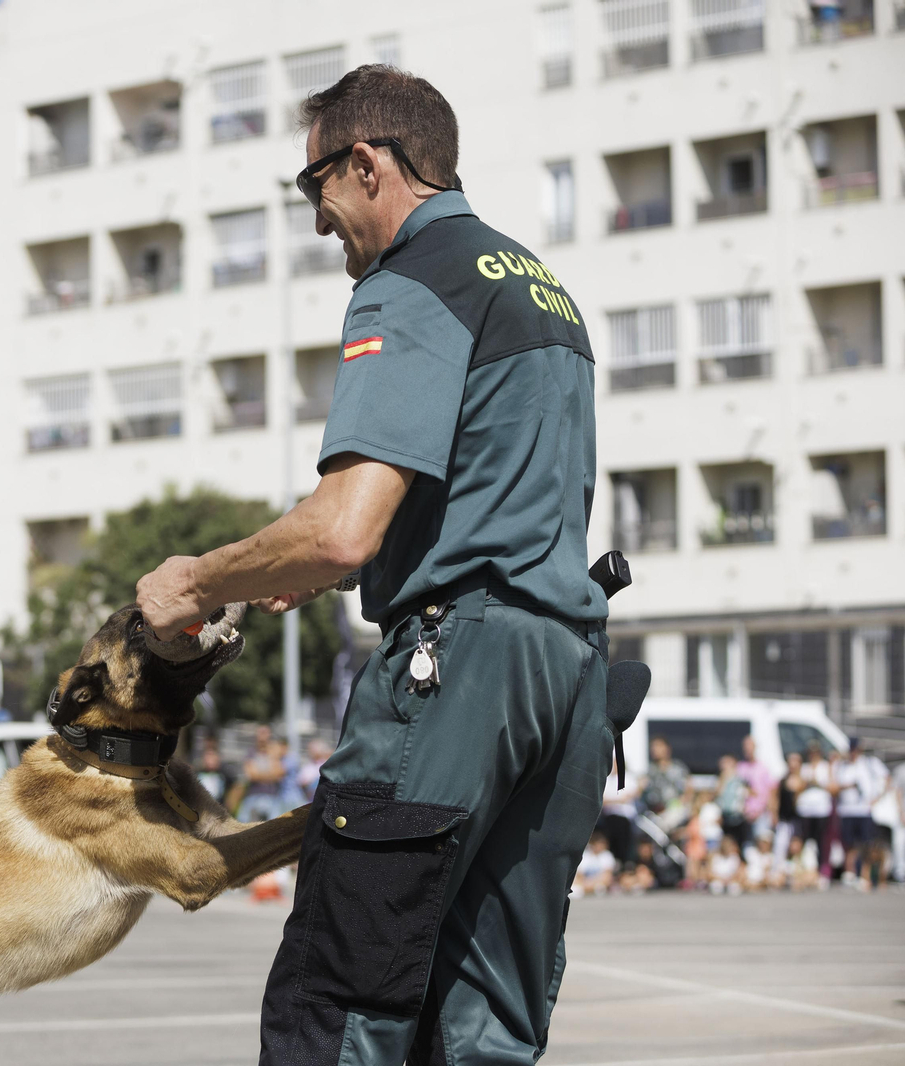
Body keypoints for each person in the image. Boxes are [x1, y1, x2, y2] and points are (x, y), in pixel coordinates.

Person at [134, 64, 609, 1063]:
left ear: (366, 162)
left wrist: (193, 580)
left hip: (456, 674)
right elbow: (487, 495)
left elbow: (344, 526)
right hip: (565, 676)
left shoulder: (410, 281)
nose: (317, 224)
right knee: (487, 1023)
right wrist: (326, 562)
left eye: (315, 189)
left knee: (343, 999)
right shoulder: (541, 287)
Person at [833, 738, 888, 889]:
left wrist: (877, 798)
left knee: (867, 845)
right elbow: (834, 786)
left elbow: (887, 778)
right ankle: (850, 875)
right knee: (849, 845)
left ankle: (866, 876)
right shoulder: (842, 766)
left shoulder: (870, 763)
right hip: (846, 811)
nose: (852, 753)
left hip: (864, 810)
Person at [238, 726, 287, 823]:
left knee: (277, 824)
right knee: (243, 822)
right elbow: (251, 775)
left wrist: (259, 774)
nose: (263, 737)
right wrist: (270, 774)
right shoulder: (251, 753)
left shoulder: (274, 752)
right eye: (261, 733)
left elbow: (280, 774)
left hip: (272, 796)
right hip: (254, 795)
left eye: (265, 733)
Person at [598, 753, 639, 866]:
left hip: (625, 820)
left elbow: (630, 796)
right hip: (609, 819)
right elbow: (603, 801)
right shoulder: (606, 780)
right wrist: (618, 800)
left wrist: (612, 801)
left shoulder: (629, 779)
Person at [642, 737, 690, 829]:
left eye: (658, 746)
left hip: (673, 811)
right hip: (652, 812)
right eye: (653, 747)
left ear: (667, 749)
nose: (655, 749)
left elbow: (688, 790)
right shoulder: (650, 770)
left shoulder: (678, 768)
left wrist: (678, 805)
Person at [735, 735, 776, 842]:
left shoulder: (763, 768)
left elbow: (771, 791)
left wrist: (772, 812)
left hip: (761, 814)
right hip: (743, 816)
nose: (747, 749)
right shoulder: (740, 768)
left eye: (750, 746)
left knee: (762, 843)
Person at [714, 754, 750, 850]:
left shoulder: (741, 778)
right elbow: (717, 797)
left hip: (739, 819)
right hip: (725, 819)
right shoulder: (721, 780)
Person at [891, 747, 905, 883]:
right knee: (900, 842)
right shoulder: (902, 770)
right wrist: (901, 812)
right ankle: (899, 871)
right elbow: (897, 792)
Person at [571, 832, 615, 898]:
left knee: (604, 882)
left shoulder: (607, 855)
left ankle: (586, 890)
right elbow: (579, 874)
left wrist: (592, 883)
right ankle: (590, 890)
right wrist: (587, 883)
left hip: (598, 882)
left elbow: (607, 875)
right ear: (593, 845)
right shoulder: (585, 855)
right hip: (585, 882)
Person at [193, 737, 235, 806]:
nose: (211, 760)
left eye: (213, 756)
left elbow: (235, 788)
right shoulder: (197, 774)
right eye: (208, 756)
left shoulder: (224, 775)